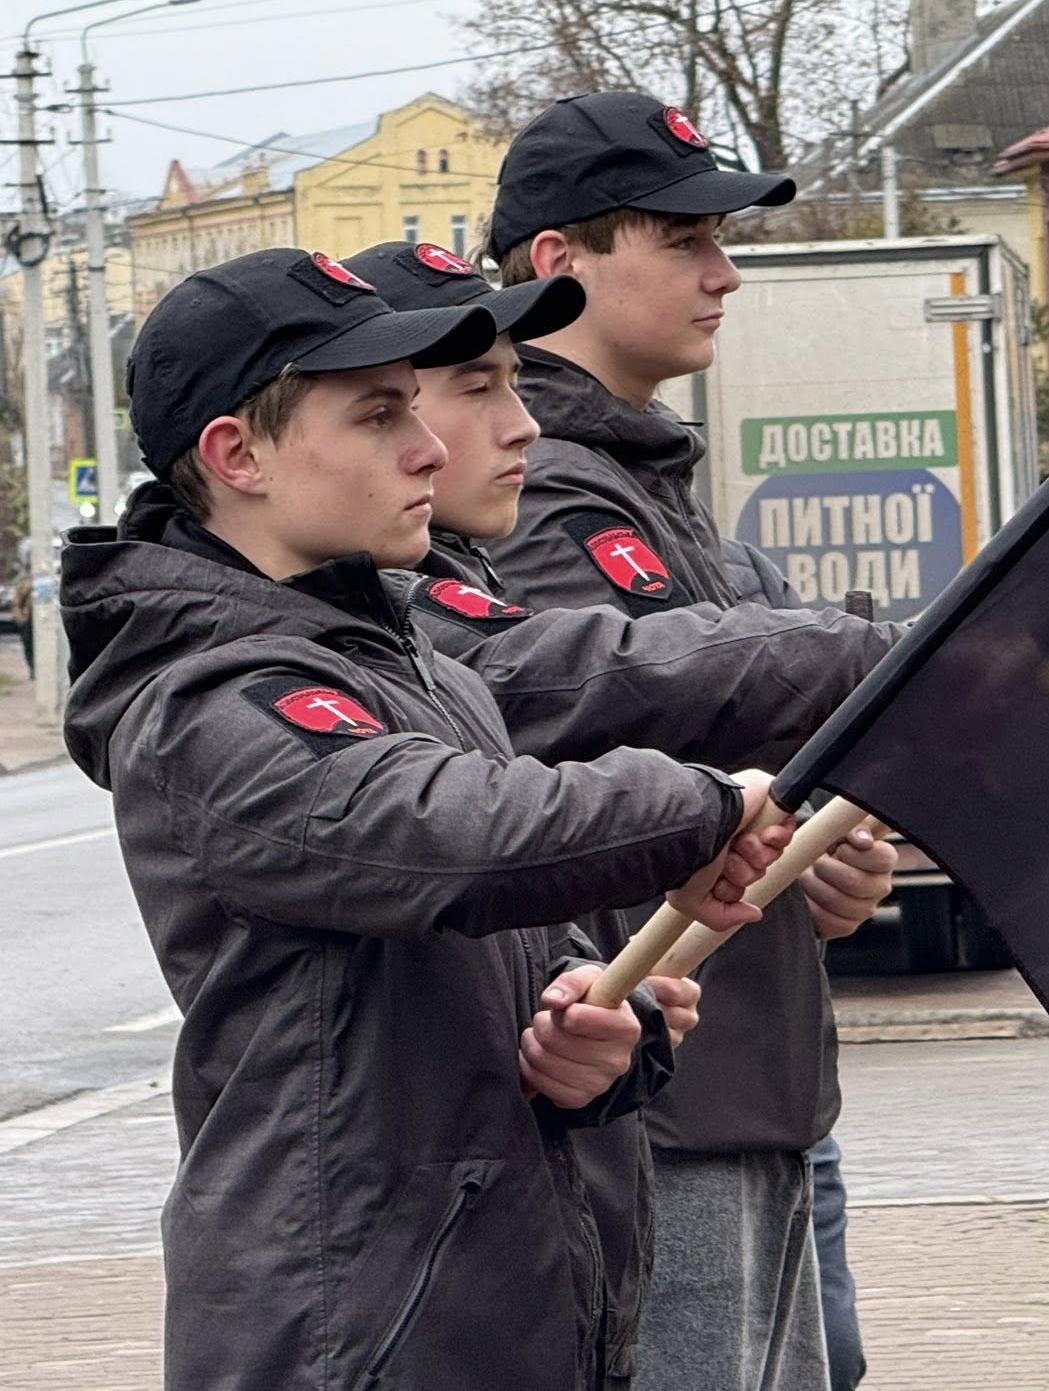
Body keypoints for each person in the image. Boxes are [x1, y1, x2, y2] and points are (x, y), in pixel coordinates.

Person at [59, 247, 791, 1391]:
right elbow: (452, 835)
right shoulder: (206, 699)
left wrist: (607, 1033)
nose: (430, 448)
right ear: (235, 453)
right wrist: (698, 807)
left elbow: (529, 973)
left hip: (503, 1316)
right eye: (377, 415)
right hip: (349, 1339)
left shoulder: (417, 671)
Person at [340, 235, 901, 1388]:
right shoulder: (324, 652)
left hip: (687, 1090)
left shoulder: (552, 531)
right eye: (471, 389)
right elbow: (589, 685)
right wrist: (705, 808)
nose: (517, 426)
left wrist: (785, 837)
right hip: (560, 1169)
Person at [482, 92, 881, 1391]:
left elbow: (767, 740)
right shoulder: (537, 495)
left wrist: (834, 849)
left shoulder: (647, 481)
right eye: (680, 236)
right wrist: (872, 652)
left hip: (751, 1090)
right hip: (663, 1105)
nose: (724, 272)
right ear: (558, 265)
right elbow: (632, 707)